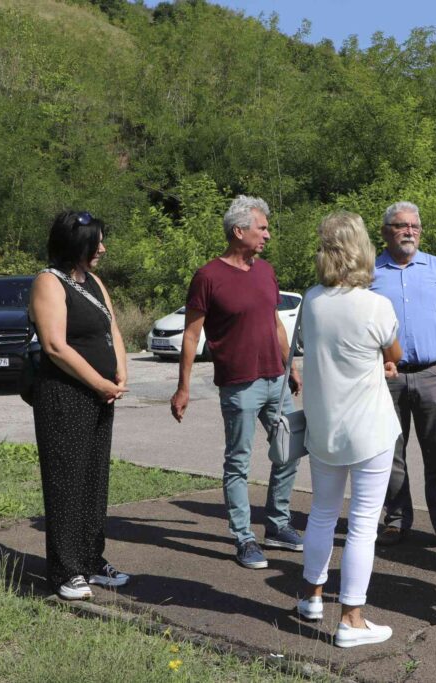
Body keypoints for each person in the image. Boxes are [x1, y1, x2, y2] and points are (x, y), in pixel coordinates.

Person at [170, 195, 303, 570]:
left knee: (289, 450)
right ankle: (244, 538)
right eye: (262, 228)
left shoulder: (265, 271)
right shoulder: (208, 277)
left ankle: (277, 525)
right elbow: (192, 336)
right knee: (239, 462)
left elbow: (275, 322)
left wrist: (290, 366)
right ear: (238, 230)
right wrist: (183, 387)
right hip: (239, 384)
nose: (268, 235)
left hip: (275, 378)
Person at [295, 211, 404, 648]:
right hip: (369, 429)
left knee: (322, 513)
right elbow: (394, 348)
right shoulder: (375, 304)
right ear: (361, 250)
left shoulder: (311, 300)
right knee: (362, 524)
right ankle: (352, 620)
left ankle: (311, 596)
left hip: (324, 429)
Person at [29, 210, 130, 601]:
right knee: (66, 482)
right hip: (65, 396)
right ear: (75, 244)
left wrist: (121, 373)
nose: (102, 248)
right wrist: (99, 381)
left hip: (101, 395)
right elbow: (55, 346)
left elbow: (113, 329)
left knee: (93, 480)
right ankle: (65, 570)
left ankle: (91, 558)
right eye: (96, 241)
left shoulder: (93, 282)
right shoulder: (48, 283)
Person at [370, 201, 436, 554]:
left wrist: (435, 346)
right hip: (386, 377)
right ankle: (397, 521)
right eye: (401, 226)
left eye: (414, 226)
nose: (409, 231)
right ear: (385, 232)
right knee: (390, 454)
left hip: (433, 373)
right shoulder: (369, 273)